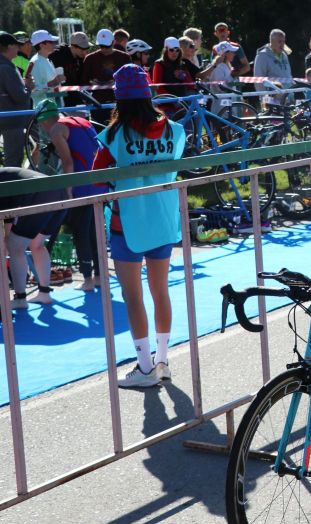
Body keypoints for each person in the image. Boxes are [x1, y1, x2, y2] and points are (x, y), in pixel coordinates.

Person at [92, 64, 186, 387]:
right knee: (161, 291)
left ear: (118, 98)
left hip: (127, 224)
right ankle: (162, 361)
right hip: (163, 219)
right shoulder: (174, 130)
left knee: (133, 296)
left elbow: (97, 176)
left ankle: (145, 367)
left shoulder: (114, 135)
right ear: (149, 93)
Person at [35, 99, 105, 291]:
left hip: (82, 184)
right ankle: (99, 276)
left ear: (44, 120)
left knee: (80, 231)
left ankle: (87, 280)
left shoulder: (56, 130)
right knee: (94, 231)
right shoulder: (80, 121)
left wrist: (68, 191)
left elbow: (68, 163)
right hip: (99, 180)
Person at [2, 165, 69, 309]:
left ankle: (20, 299)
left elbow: (7, 218)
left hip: (39, 192)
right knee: (37, 244)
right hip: (59, 191)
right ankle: (44, 294)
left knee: (15, 247)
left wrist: (8, 242)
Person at [80, 29, 131, 124]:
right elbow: (83, 82)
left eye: (107, 46)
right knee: (100, 129)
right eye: (101, 46)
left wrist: (117, 82)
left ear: (113, 42)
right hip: (97, 103)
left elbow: (130, 79)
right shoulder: (90, 59)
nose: (104, 49)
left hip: (120, 102)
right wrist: (91, 83)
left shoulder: (124, 57)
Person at [0, 32, 30, 168]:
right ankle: (11, 182)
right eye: (17, 45)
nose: (19, 48)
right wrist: (28, 87)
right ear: (9, 46)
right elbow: (20, 97)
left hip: (6, 117)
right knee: (13, 162)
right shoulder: (6, 68)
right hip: (12, 121)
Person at [50, 32, 93, 108]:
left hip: (77, 99)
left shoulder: (82, 58)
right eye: (82, 49)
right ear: (73, 46)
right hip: (60, 101)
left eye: (87, 48)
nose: (85, 52)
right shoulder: (57, 55)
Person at [26, 30, 65, 107]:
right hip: (43, 110)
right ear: (41, 45)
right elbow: (33, 92)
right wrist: (53, 83)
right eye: (50, 42)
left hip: (51, 108)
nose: (54, 44)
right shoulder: (35, 62)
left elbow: (49, 90)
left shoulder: (47, 60)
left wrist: (63, 93)